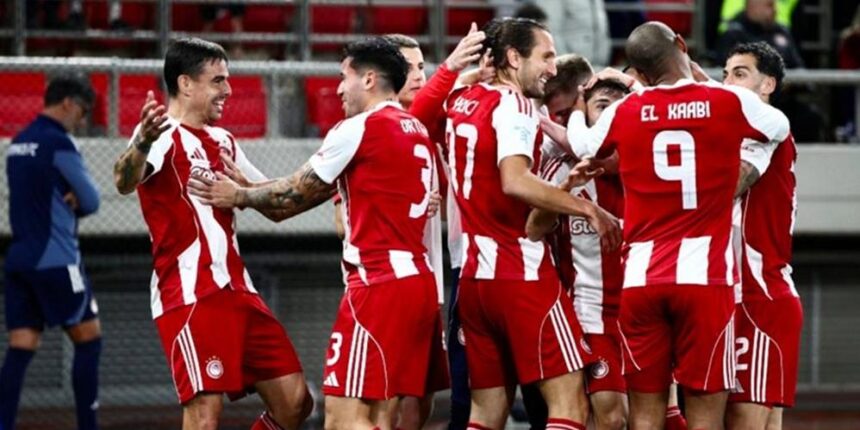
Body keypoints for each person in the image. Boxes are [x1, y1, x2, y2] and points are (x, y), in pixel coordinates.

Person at [187, 37, 443, 430]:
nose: (338, 89)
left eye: (344, 77)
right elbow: (303, 193)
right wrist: (251, 190)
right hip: (419, 282)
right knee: (384, 416)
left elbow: (290, 200)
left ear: (368, 79)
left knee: (343, 419)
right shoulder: (414, 128)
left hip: (378, 286)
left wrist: (238, 195)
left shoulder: (358, 128)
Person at [566, 21, 790, 430]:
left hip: (641, 280)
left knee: (645, 414)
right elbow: (778, 125)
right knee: (704, 416)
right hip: (705, 280)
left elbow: (582, 144)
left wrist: (581, 106)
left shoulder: (624, 110)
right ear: (682, 45)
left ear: (641, 73)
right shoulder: (726, 101)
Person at [111, 37, 312, 430]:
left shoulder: (224, 141)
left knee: (295, 402)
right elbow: (123, 180)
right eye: (218, 80)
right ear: (186, 83)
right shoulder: (159, 135)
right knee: (204, 415)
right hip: (190, 293)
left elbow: (275, 205)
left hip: (239, 291)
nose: (229, 90)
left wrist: (250, 193)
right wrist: (142, 142)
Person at [445, 17, 621, 430]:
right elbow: (516, 181)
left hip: (474, 279)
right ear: (513, 58)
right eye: (545, 56)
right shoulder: (515, 105)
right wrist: (588, 210)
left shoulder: (462, 99)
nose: (552, 68)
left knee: (486, 412)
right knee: (570, 406)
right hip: (519, 271)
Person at [529, 76, 630, 430]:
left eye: (618, 109)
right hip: (589, 312)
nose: (609, 116)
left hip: (641, 312)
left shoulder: (650, 164)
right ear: (584, 114)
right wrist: (567, 189)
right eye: (602, 106)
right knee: (610, 415)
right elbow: (533, 229)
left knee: (654, 415)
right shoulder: (560, 167)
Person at [1, 75, 101, 430]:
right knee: (89, 339)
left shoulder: (18, 143)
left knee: (21, 346)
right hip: (57, 259)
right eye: (83, 112)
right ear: (68, 103)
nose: (83, 121)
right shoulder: (60, 142)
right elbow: (92, 200)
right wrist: (75, 200)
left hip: (19, 260)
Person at [721, 41, 802, 430]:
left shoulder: (766, 128)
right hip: (748, 294)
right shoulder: (741, 134)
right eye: (725, 75)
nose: (728, 83)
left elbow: (728, 190)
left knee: (743, 421)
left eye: (740, 74)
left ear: (767, 85)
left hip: (759, 295)